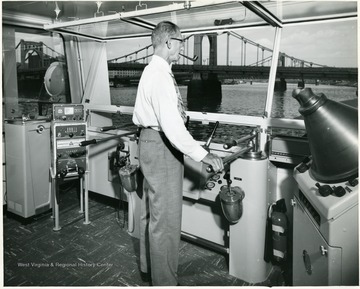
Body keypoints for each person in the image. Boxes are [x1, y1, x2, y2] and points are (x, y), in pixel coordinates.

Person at [132, 21, 224, 286]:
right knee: (167, 221)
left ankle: (149, 270)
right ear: (169, 42)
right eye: (181, 41)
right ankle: (165, 282)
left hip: (150, 141)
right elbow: (171, 127)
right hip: (161, 145)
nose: (183, 47)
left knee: (151, 213)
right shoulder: (160, 75)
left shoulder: (153, 71)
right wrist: (202, 154)